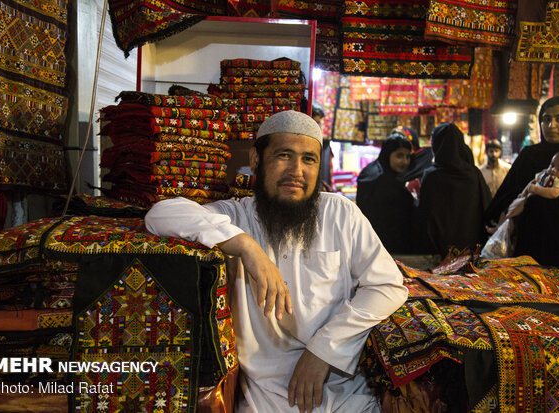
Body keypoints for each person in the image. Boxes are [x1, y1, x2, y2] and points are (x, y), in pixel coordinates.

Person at [145, 110, 408, 412]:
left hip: (347, 396)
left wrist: (323, 349)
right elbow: (160, 215)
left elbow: (387, 286)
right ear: (257, 159)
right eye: (284, 155)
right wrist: (246, 246)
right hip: (265, 400)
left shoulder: (339, 213)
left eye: (309, 159)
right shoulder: (236, 217)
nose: (297, 170)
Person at [485, 96, 559, 293]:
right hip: (526, 248)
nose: (551, 125)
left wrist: (538, 202)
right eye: (546, 119)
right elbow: (505, 195)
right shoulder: (529, 155)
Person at [481, 149, 559, 259]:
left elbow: (554, 193)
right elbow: (533, 182)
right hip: (524, 199)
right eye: (552, 165)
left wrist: (536, 190)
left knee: (511, 221)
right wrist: (524, 193)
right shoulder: (546, 173)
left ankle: (501, 235)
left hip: (530, 207)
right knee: (506, 211)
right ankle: (498, 227)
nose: (553, 170)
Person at [414, 123, 492, 256]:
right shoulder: (474, 174)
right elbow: (486, 207)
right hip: (470, 250)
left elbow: (425, 215)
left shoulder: (432, 176)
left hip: (438, 252)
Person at [357, 133, 414, 253]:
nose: (404, 161)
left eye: (407, 157)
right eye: (399, 156)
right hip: (384, 248)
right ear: (388, 154)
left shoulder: (371, 171)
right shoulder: (382, 180)